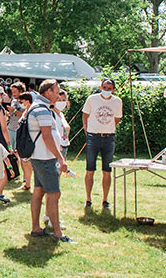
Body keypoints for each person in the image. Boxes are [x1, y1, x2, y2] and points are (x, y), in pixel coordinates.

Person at [26, 79, 73, 244]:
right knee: (54, 193)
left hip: (38, 157)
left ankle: (36, 228)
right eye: (57, 91)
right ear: (48, 92)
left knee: (39, 191)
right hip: (45, 158)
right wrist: (61, 159)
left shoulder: (39, 107)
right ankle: (58, 234)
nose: (59, 95)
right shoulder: (42, 110)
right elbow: (47, 137)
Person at [82, 78, 123, 211]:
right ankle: (88, 199)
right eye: (104, 88)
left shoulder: (117, 101)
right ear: (100, 87)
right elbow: (85, 115)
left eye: (109, 88)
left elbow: (117, 119)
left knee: (107, 171)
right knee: (90, 170)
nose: (106, 90)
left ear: (113, 90)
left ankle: (105, 199)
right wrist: (87, 129)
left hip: (109, 138)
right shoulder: (92, 99)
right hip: (93, 137)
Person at [17, 92, 34, 192]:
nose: (20, 103)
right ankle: (27, 183)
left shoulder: (31, 111)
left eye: (21, 102)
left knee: (28, 163)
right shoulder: (26, 111)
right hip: (23, 139)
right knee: (26, 162)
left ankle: (29, 183)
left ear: (27, 101)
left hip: (28, 139)